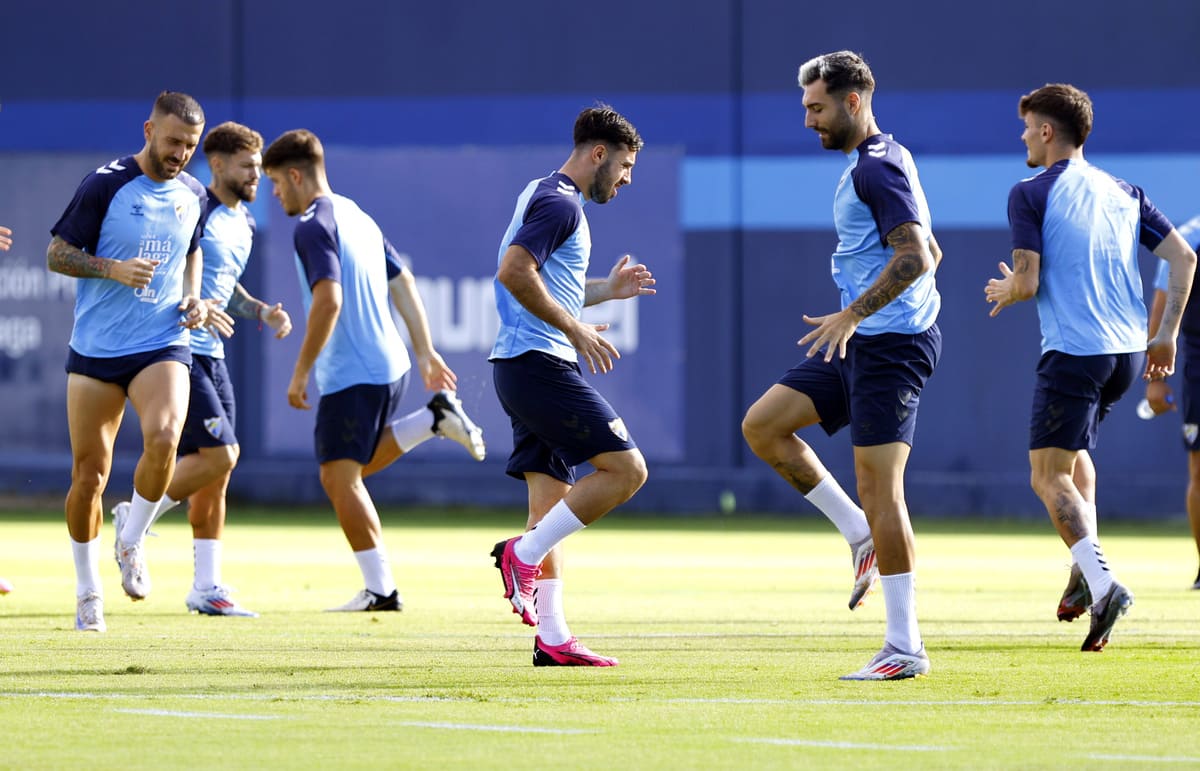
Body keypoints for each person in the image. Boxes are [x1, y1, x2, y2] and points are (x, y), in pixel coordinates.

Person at [740, 51, 943, 681]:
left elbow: (915, 258)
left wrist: (853, 313)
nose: (808, 120)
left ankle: (905, 647)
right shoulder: (877, 161)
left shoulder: (878, 168)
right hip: (866, 341)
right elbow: (932, 247)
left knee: (884, 490)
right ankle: (858, 534)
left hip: (887, 347)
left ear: (853, 102)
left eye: (816, 107)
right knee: (764, 425)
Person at [985, 83, 1195, 651]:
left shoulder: (1030, 192)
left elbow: (1027, 283)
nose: (1023, 135)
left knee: (1045, 475)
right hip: (1127, 353)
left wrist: (1009, 286)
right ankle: (1084, 575)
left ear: (1048, 131)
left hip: (1076, 352)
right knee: (1077, 465)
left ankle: (1104, 584)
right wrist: (1165, 335)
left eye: (1028, 126)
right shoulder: (1124, 191)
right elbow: (1183, 257)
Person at [261, 129, 486, 613]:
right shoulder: (355, 214)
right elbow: (402, 279)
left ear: (296, 175)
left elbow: (328, 301)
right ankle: (432, 420)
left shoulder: (310, 224)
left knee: (339, 478)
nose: (275, 193)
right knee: (349, 471)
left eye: (277, 183)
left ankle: (381, 591)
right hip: (390, 363)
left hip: (353, 369)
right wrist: (424, 351)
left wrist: (300, 372)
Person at [47, 91, 225, 632]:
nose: (180, 154)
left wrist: (194, 296)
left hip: (163, 340)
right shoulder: (106, 183)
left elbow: (193, 248)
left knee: (168, 434)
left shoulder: (194, 192)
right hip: (99, 349)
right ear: (148, 130)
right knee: (89, 477)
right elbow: (56, 254)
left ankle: (131, 538)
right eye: (173, 142)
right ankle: (87, 591)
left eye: (190, 146)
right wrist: (112, 269)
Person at [489, 104, 655, 667]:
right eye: (626, 165)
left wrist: (605, 289)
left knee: (550, 502)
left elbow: (542, 280)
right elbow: (513, 271)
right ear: (599, 153)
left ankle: (553, 637)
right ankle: (522, 555)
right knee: (627, 470)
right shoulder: (560, 201)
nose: (628, 178)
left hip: (523, 363)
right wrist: (574, 329)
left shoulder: (549, 195)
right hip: (538, 364)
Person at [110, 121, 292, 617]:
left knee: (216, 477)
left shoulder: (246, 222)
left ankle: (206, 587)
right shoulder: (196, 208)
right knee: (222, 454)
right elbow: (170, 273)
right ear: (218, 164)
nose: (257, 175)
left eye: (258, 166)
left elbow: (226, 287)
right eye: (248, 166)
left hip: (216, 352)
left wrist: (262, 311)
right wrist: (192, 305)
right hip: (179, 350)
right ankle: (134, 521)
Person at [1139, 214, 1200, 590]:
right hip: (1198, 361)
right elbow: (1161, 309)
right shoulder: (1187, 240)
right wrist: (1156, 379)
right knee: (1199, 469)